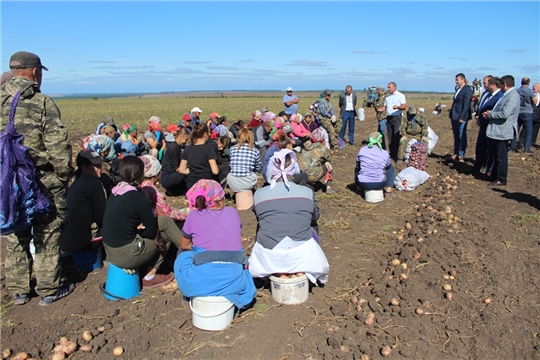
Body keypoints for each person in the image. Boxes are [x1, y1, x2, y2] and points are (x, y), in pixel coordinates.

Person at [1, 51, 75, 306]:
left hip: (7, 183)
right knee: (48, 234)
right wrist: (64, 176)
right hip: (41, 181)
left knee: (15, 234)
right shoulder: (41, 102)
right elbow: (58, 146)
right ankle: (48, 288)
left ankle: (19, 290)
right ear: (35, 72)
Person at [249, 150, 329, 284]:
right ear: (294, 169)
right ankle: (300, 267)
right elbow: (315, 216)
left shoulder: (259, 194)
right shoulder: (307, 192)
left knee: (263, 223)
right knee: (311, 223)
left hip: (270, 255)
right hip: (301, 252)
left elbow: (259, 216)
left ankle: (278, 271)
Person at [174, 180, 256, 309]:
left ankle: (191, 295)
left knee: (182, 255)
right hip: (235, 281)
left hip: (200, 283)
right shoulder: (232, 212)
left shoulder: (193, 215)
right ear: (221, 198)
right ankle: (229, 294)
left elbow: (184, 245)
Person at [102, 156, 182, 289]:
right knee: (165, 235)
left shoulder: (116, 192)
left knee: (165, 222)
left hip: (110, 250)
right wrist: (141, 228)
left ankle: (186, 249)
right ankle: (151, 275)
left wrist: (136, 227)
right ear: (141, 175)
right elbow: (150, 232)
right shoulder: (140, 198)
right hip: (126, 254)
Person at [59, 151, 107, 254]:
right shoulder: (95, 185)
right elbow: (101, 216)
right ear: (84, 168)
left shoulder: (75, 183)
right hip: (85, 240)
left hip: (68, 239)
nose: (100, 168)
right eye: (96, 166)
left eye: (100, 164)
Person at [483, 75, 520, 186]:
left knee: (501, 156)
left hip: (503, 131)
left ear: (504, 85)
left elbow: (505, 114)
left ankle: (501, 178)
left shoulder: (513, 96)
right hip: (498, 131)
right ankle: (495, 176)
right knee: (495, 155)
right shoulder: (506, 95)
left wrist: (490, 114)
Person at [468, 76, 503, 176]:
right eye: (483, 83)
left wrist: (483, 120)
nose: (485, 85)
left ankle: (489, 170)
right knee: (480, 148)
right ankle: (476, 168)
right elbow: (481, 106)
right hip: (482, 124)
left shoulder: (499, 96)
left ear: (492, 84)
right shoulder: (486, 94)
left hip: (490, 126)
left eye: (486, 83)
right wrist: (478, 117)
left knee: (490, 151)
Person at [139, 155, 190, 222]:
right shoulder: (153, 192)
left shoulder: (139, 185)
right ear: (156, 174)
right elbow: (166, 213)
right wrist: (187, 214)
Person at [179, 123, 219, 190]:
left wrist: (193, 171)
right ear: (205, 134)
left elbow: (181, 170)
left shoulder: (188, 149)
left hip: (192, 186)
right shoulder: (208, 149)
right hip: (206, 186)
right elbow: (215, 171)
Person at [355, 132, 395, 198]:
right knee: (391, 168)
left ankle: (359, 190)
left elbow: (357, 161)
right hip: (379, 183)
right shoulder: (384, 153)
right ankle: (388, 192)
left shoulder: (362, 150)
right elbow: (388, 165)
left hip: (363, 183)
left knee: (358, 167)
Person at [227, 128, 262, 193]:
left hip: (233, 181)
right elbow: (258, 167)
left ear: (238, 138)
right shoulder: (255, 151)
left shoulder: (232, 149)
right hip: (248, 181)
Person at [449, 73, 473, 162]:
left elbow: (466, 105)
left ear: (463, 80)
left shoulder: (467, 90)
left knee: (461, 135)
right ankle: (456, 152)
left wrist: (462, 117)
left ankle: (461, 154)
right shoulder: (458, 89)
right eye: (455, 80)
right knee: (456, 136)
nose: (456, 81)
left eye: (457, 80)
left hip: (461, 116)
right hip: (454, 115)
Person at [160, 128, 190, 196]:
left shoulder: (176, 147)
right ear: (181, 137)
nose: (186, 142)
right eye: (186, 139)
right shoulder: (173, 148)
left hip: (169, 175)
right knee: (185, 173)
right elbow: (176, 168)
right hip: (167, 177)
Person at [382, 82, 407, 159]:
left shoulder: (400, 96)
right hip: (389, 117)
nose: (388, 89)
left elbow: (404, 106)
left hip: (397, 117)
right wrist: (380, 110)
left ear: (394, 87)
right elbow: (384, 107)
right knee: (389, 136)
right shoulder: (387, 97)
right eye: (388, 87)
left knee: (396, 135)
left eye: (389, 87)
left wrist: (398, 107)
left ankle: (397, 153)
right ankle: (392, 153)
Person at [512, 77, 537, 153]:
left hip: (518, 112)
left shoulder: (517, 91)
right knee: (528, 131)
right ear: (528, 83)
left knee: (516, 130)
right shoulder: (530, 91)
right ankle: (527, 148)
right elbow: (535, 101)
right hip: (527, 112)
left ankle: (512, 147)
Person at [374, 85, 389, 150]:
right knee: (379, 133)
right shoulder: (381, 96)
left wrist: (374, 102)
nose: (376, 91)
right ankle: (380, 147)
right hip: (381, 117)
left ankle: (383, 148)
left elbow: (378, 106)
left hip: (383, 117)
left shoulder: (383, 97)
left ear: (380, 90)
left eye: (377, 90)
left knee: (381, 133)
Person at [531, 83, 540, 148]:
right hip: (530, 114)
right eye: (533, 86)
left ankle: (532, 142)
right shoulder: (530, 94)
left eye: (536, 86)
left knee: (535, 129)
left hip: (538, 115)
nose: (534, 88)